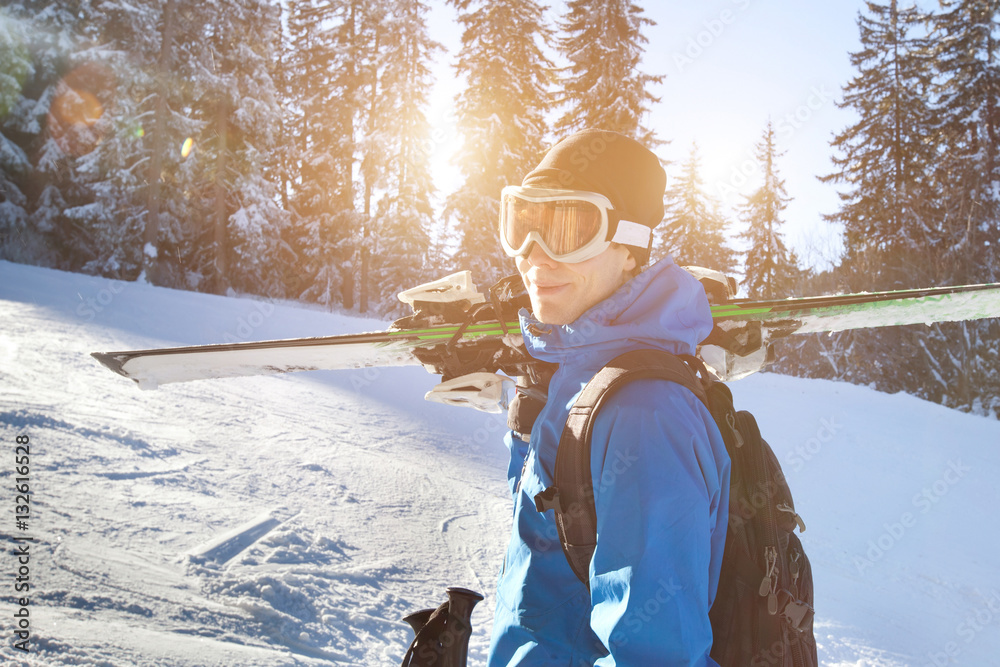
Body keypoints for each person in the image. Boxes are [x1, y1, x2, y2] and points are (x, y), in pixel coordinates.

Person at [487, 129, 732, 666]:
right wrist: (528, 426)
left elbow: (655, 654)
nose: (534, 257)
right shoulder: (580, 379)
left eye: (570, 230)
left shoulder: (643, 414)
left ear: (628, 248)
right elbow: (553, 542)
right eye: (524, 227)